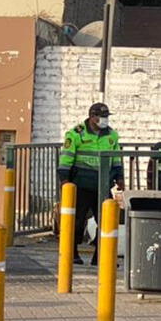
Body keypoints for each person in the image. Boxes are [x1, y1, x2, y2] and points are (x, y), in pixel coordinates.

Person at [57, 102, 122, 266]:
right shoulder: (76, 134)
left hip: (102, 184)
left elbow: (116, 159)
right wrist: (64, 180)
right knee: (77, 221)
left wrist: (119, 177)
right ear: (92, 117)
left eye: (106, 116)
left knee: (107, 221)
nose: (105, 120)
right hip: (81, 184)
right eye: (102, 116)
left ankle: (100, 257)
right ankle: (72, 254)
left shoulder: (112, 136)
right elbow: (66, 158)